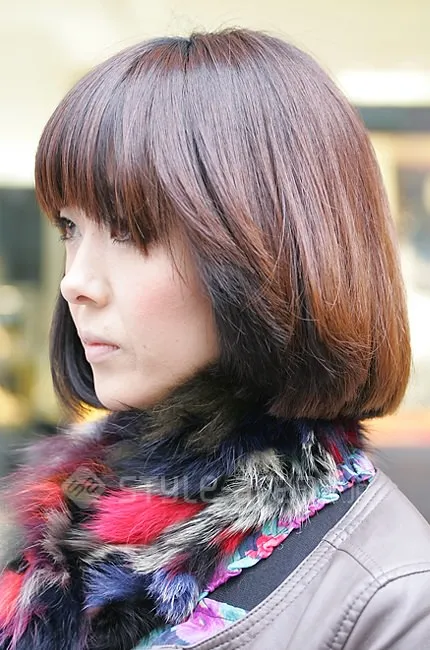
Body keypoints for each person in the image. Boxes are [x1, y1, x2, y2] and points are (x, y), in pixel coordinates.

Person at [0, 28, 429, 650]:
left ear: (267, 250)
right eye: (70, 227)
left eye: (129, 230)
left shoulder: (392, 603)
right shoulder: (67, 524)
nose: (75, 282)